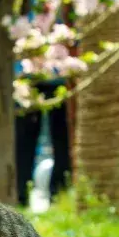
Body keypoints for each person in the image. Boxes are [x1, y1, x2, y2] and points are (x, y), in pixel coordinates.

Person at [15, 77, 71, 207]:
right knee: (23, 146)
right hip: (25, 81)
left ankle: (59, 197)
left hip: (60, 79)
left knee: (63, 143)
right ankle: (21, 197)